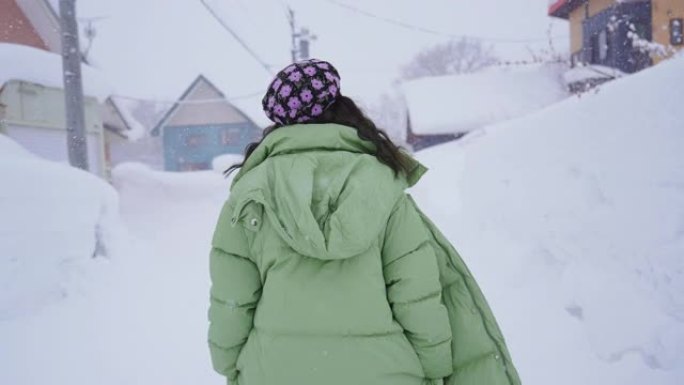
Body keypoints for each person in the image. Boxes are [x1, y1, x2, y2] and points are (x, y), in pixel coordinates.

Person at [208, 59, 521, 385]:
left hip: (273, 372)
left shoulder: (250, 196)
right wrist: (435, 365)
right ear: (342, 109)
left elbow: (231, 302)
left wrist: (231, 366)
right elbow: (416, 296)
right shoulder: (382, 187)